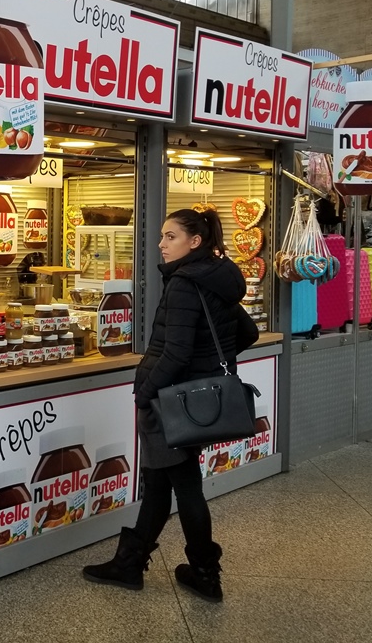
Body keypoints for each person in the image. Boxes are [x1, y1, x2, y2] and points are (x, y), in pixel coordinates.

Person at [83, 208, 254, 602]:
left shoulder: (184, 283)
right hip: (192, 402)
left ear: (195, 241)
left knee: (185, 487)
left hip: (169, 400)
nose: (161, 243)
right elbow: (247, 331)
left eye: (170, 236)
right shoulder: (217, 279)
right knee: (161, 483)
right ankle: (132, 564)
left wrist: (145, 393)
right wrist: (207, 366)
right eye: (162, 236)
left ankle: (205, 574)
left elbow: (174, 354)